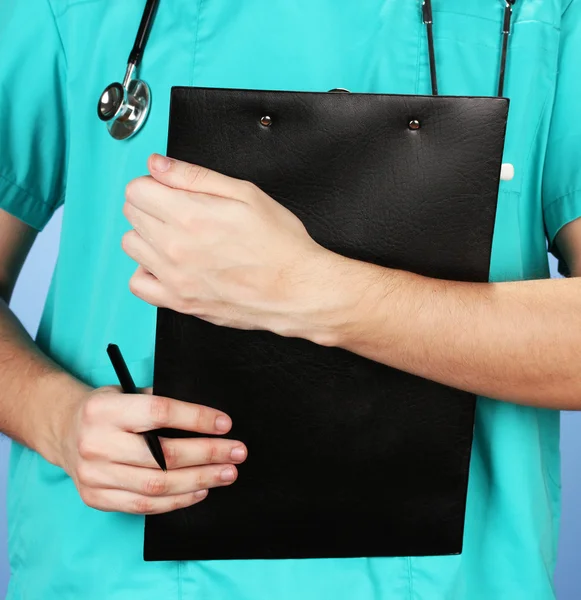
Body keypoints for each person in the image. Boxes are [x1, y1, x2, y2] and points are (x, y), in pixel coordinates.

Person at [0, 0, 580, 598]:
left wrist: (311, 292)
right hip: (108, 572)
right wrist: (57, 418)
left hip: (462, 577)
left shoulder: (549, 12)